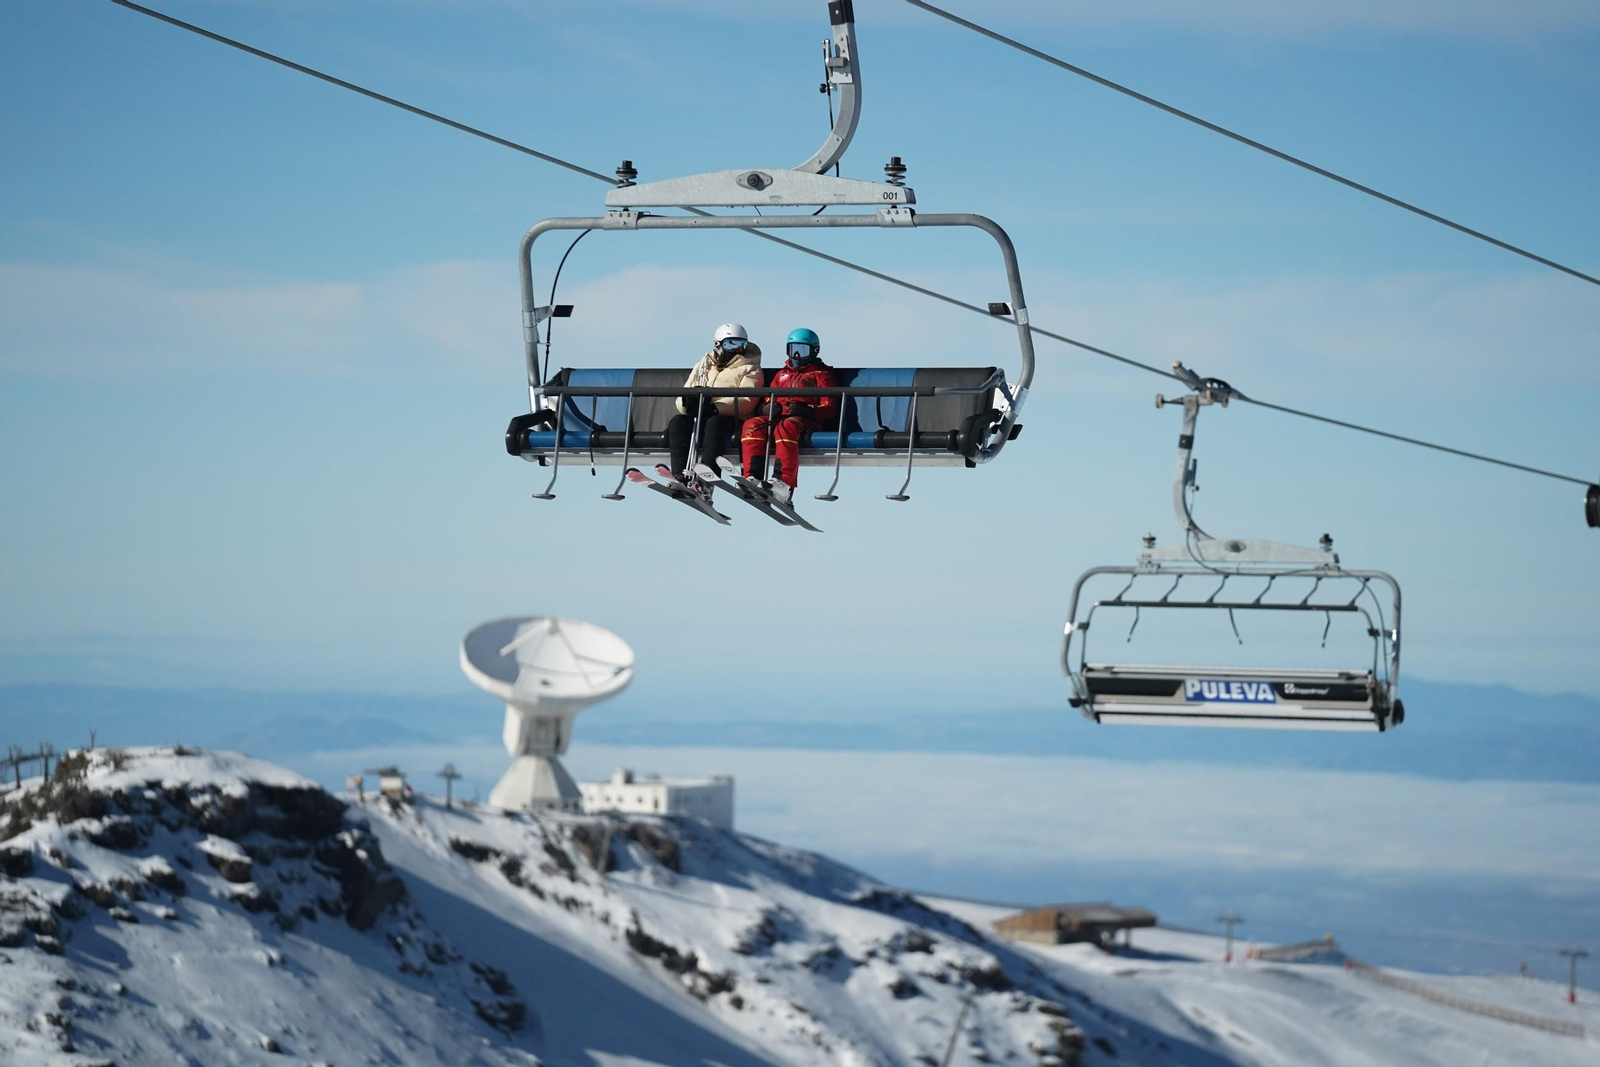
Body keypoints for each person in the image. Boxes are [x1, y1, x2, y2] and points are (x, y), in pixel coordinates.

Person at [740, 327, 838, 504]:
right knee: (752, 425)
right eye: (793, 350)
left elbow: (829, 407)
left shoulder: (821, 375)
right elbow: (766, 400)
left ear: (814, 351)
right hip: (778, 418)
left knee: (786, 427)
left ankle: (783, 483)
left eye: (803, 350)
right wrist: (768, 408)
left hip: (805, 420)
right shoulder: (781, 374)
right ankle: (752, 478)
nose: (798, 356)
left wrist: (808, 410)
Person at [666, 322, 762, 485]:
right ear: (718, 344)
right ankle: (680, 474)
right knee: (678, 422)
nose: (737, 349)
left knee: (714, 424)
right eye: (731, 344)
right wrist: (689, 403)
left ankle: (706, 478)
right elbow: (683, 395)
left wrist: (715, 408)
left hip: (731, 417)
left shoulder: (751, 368)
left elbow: (747, 400)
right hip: (701, 413)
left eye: (741, 344)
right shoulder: (703, 365)